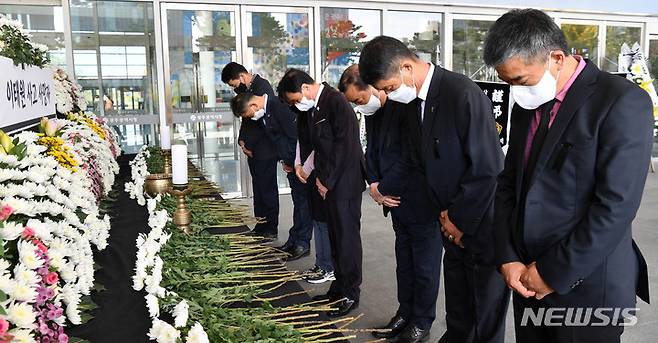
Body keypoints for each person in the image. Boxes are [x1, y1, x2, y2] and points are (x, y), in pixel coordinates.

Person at [484, 9, 652, 343]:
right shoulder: (529, 101)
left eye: (519, 80)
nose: (513, 91)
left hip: (584, 284)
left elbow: (615, 206)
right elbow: (508, 183)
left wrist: (550, 272)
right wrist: (508, 257)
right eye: (507, 81)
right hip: (524, 277)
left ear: (556, 58)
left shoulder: (620, 102)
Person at [359, 36, 510, 343]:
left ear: (405, 67)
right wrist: (444, 216)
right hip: (445, 219)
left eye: (388, 87)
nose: (388, 95)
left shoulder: (461, 93)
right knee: (457, 305)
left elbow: (487, 168)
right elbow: (419, 159)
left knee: (483, 311)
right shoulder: (413, 103)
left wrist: (458, 218)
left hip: (479, 223)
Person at [338, 64, 442, 341]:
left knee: (425, 267)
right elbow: (371, 151)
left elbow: (411, 157)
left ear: (373, 86)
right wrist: (373, 183)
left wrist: (382, 187)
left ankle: (422, 321)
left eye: (360, 100)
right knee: (404, 263)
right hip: (393, 201)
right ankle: (404, 312)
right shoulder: (374, 112)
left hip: (419, 199)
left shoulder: (405, 107)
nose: (361, 107)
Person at [278, 68, 366, 317]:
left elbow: (345, 147)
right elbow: (317, 146)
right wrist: (313, 174)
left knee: (347, 240)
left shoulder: (335, 101)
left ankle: (351, 293)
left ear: (305, 88)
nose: (297, 105)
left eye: (296, 99)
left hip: (344, 183)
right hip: (327, 181)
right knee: (335, 239)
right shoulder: (314, 106)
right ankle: (338, 288)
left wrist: (326, 180)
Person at [229, 92, 313, 261]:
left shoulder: (279, 107)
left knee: (304, 204)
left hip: (299, 165)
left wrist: (295, 162)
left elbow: (295, 137)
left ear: (253, 106)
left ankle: (302, 242)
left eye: (248, 115)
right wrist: (284, 160)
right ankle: (294, 238)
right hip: (290, 163)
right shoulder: (267, 110)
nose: (251, 118)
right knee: (298, 202)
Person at [221, 62, 279, 240]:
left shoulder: (262, 87)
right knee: (258, 189)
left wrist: (251, 145)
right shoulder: (246, 90)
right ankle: (260, 224)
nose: (235, 89)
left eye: (234, 84)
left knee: (267, 189)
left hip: (265, 149)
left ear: (241, 76)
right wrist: (242, 141)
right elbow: (246, 121)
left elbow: (264, 123)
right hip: (253, 149)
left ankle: (270, 227)